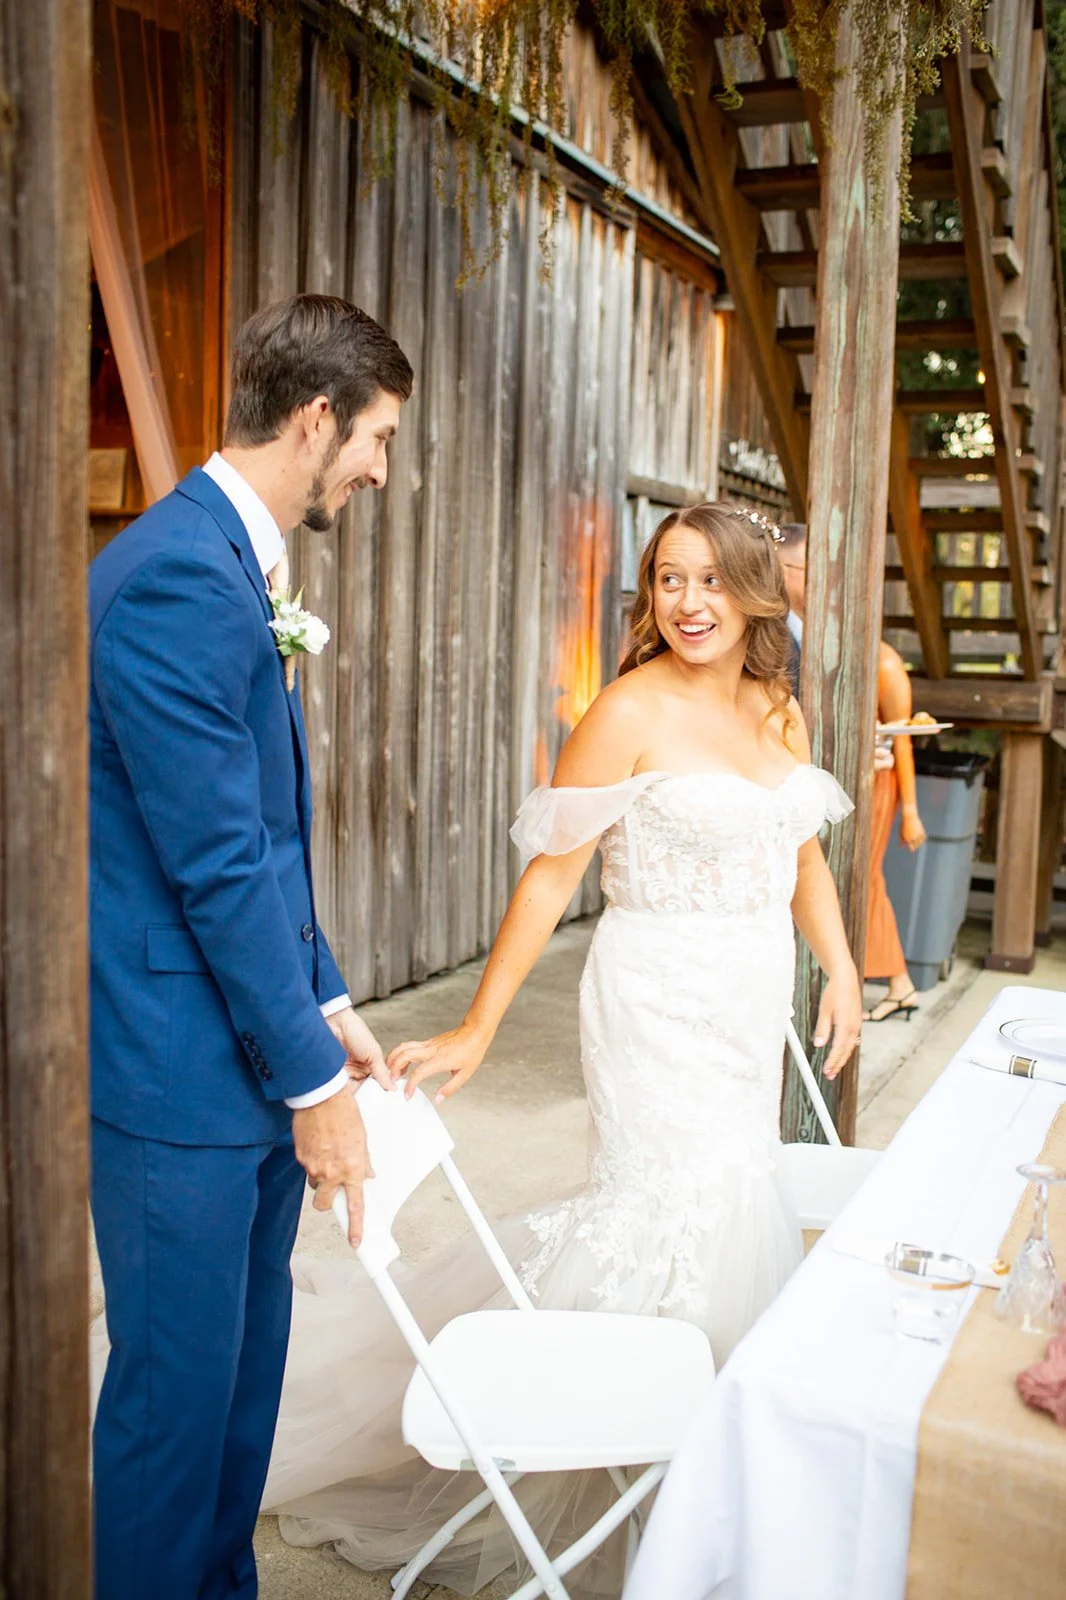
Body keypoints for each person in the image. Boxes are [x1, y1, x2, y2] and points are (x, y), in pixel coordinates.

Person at [262, 501, 863, 1594]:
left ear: (754, 594)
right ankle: (631, 1471)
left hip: (742, 996)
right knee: (662, 1207)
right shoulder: (626, 708)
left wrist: (848, 974)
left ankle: (706, 1476)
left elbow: (804, 856)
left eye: (711, 581)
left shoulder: (780, 708)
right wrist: (480, 1023)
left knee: (739, 1192)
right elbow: (552, 874)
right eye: (668, 581)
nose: (687, 603)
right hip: (650, 997)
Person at [89, 293, 413, 1600]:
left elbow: (265, 838)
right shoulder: (176, 572)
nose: (381, 469)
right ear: (316, 417)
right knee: (174, 1413)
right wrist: (314, 1086)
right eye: (378, 437)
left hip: (247, 1061)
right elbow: (212, 866)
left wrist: (328, 997)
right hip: (180, 1079)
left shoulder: (239, 566)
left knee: (236, 1392)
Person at [863, 640, 928, 1021]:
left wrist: (912, 812)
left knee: (867, 880)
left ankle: (898, 982)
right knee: (867, 881)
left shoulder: (886, 663)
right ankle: (900, 984)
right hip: (854, 776)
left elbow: (903, 742)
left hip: (880, 782)